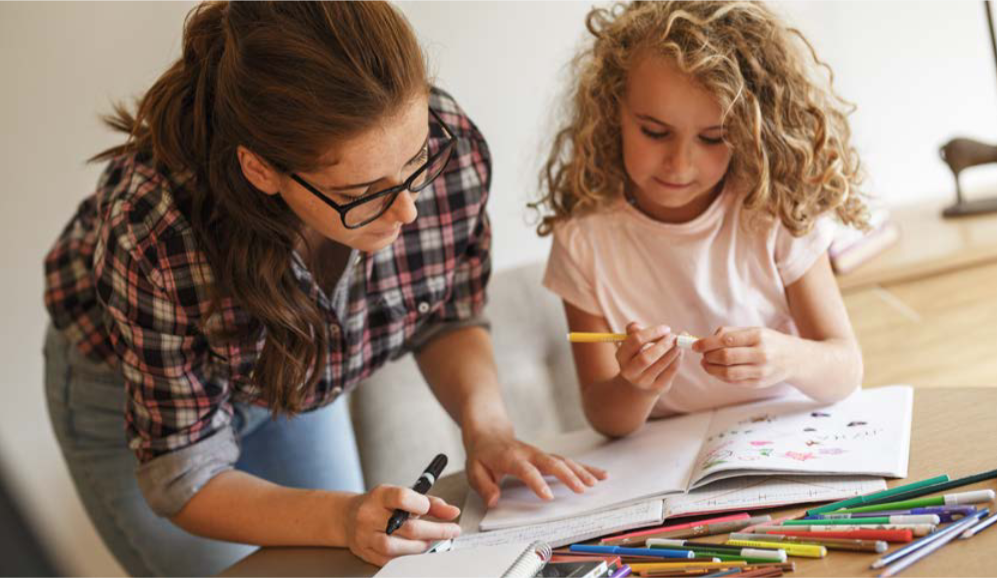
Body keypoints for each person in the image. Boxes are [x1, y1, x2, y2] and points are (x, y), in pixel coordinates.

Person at [43, 2, 605, 575]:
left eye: (414, 162)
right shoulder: (154, 229)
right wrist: (342, 518)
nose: (408, 209)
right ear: (260, 170)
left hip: (290, 366)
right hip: (132, 399)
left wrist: (488, 429)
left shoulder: (448, 142)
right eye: (363, 191)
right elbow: (184, 472)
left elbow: (447, 314)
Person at [534, 1, 867, 439]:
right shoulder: (582, 240)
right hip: (667, 465)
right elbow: (603, 415)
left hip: (792, 440)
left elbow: (846, 369)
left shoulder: (770, 210)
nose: (679, 164)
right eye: (654, 132)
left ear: (750, 130)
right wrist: (635, 386)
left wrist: (786, 358)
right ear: (612, 110)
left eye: (713, 138)